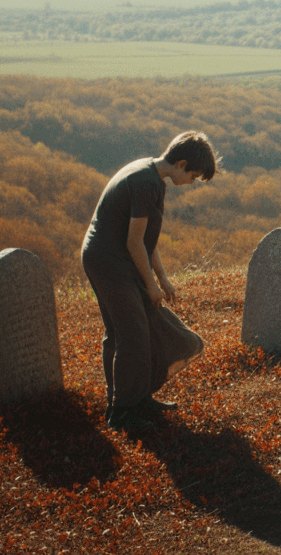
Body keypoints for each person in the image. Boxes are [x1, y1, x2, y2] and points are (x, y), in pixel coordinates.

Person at [81, 131, 216, 431]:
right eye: (193, 176)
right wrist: (151, 286)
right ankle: (122, 413)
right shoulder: (146, 183)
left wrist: (163, 280)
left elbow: (147, 240)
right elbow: (133, 242)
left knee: (125, 330)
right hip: (109, 261)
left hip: (113, 258)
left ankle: (136, 399)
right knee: (131, 333)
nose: (191, 183)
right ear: (180, 164)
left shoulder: (152, 174)